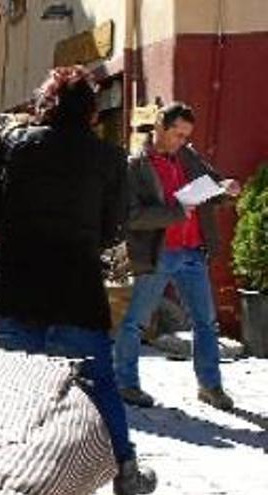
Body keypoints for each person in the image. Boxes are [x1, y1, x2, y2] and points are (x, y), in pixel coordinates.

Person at [0, 66, 156, 495]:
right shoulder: (110, 158)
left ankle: (18, 476)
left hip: (17, 286)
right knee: (99, 383)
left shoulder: (14, 143)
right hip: (77, 290)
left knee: (22, 391)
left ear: (43, 106)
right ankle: (124, 469)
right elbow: (113, 230)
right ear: (92, 113)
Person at [114, 102, 240, 411]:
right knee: (135, 323)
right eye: (177, 134)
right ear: (159, 126)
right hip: (159, 254)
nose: (182, 141)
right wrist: (174, 213)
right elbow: (131, 216)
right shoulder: (135, 165)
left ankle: (210, 387)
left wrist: (225, 189)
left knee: (206, 323)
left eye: (186, 136)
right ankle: (126, 384)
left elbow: (211, 187)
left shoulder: (189, 156)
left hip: (193, 252)